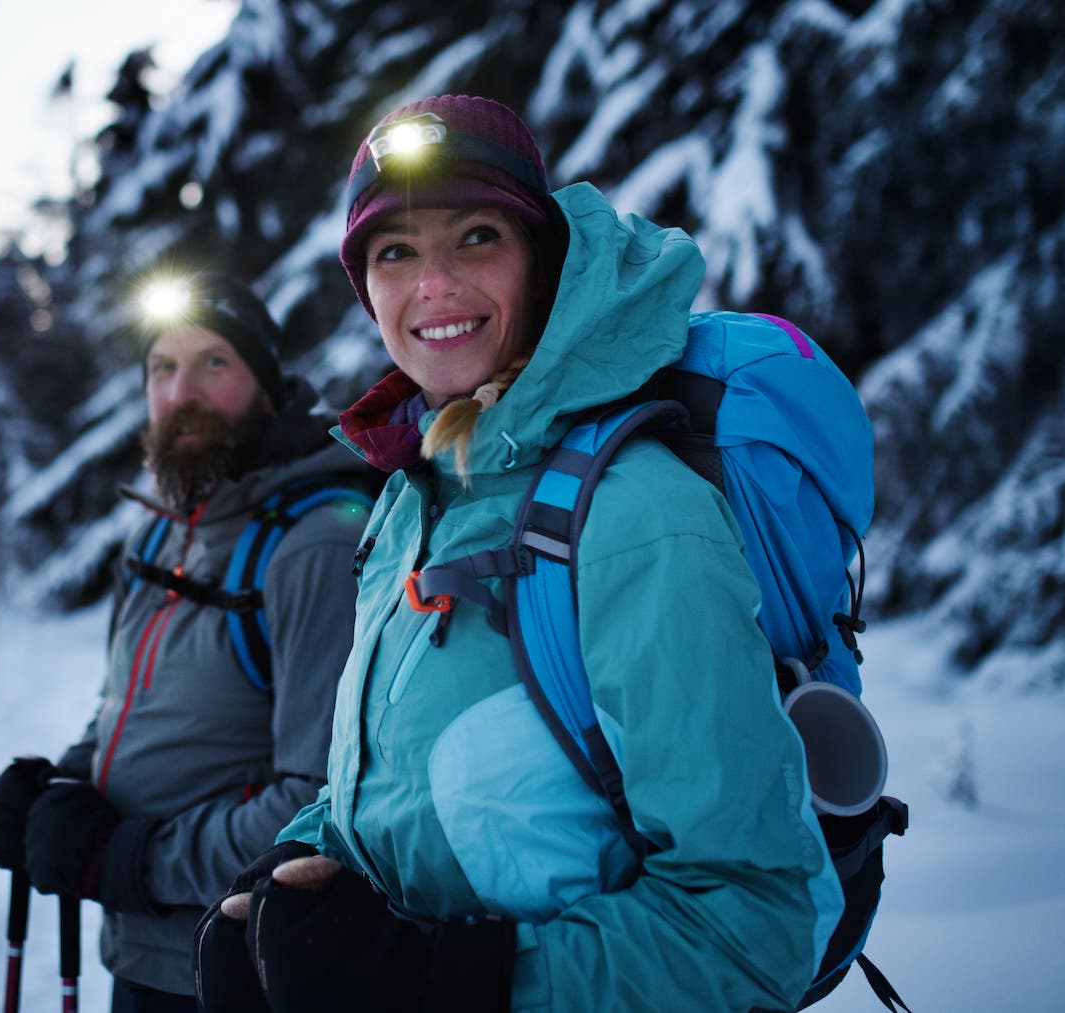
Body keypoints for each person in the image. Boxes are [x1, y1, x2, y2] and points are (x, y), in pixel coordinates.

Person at [193, 96, 843, 1012]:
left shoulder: (635, 515)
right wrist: (287, 873)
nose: (434, 285)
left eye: (476, 236)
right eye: (394, 252)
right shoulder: (412, 501)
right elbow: (392, 780)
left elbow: (756, 925)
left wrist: (444, 982)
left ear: (541, 259)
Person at [0, 273, 375, 1013]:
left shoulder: (312, 545)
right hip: (141, 953)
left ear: (267, 388)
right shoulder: (158, 534)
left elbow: (321, 804)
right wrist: (59, 792)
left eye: (213, 362)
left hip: (242, 965)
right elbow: (121, 709)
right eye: (162, 367)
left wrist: (126, 859)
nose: (180, 391)